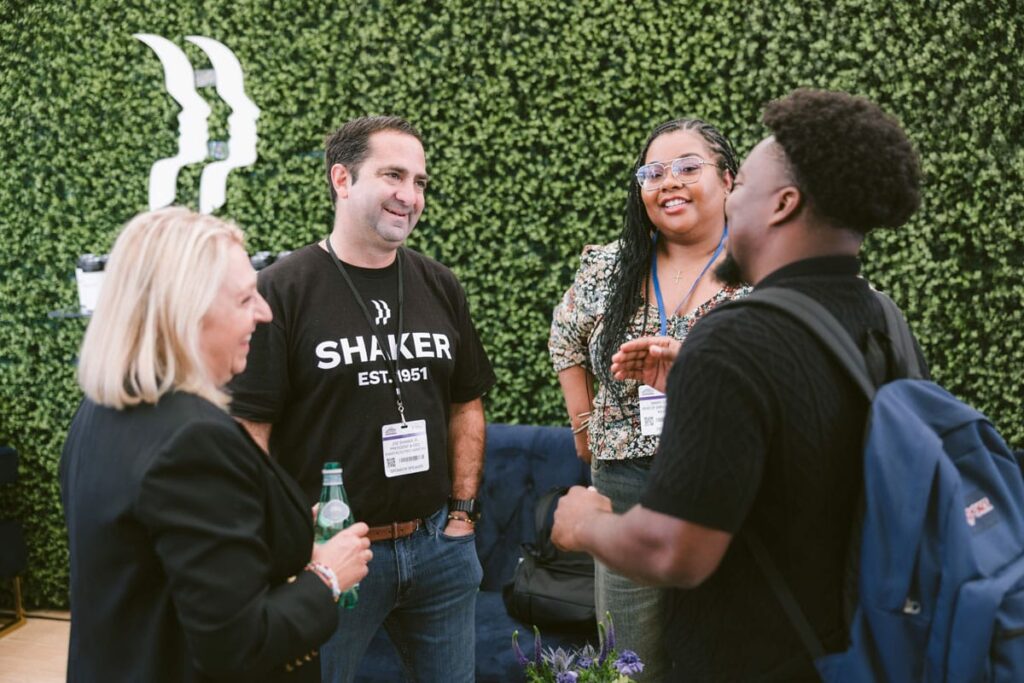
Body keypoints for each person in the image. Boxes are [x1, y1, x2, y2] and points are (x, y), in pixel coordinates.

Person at [551, 88, 926, 681]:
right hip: (849, 630)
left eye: (741, 182)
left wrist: (584, 524)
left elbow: (676, 551)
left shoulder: (736, 338)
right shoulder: (884, 319)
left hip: (751, 647)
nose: (732, 197)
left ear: (782, 204)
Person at [228, 115, 496, 683]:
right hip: (333, 557)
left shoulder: (439, 284)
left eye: (420, 181)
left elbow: (466, 403)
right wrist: (289, 546)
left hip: (437, 547)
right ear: (342, 179)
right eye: (393, 175)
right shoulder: (283, 288)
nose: (410, 195)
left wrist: (463, 517)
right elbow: (251, 429)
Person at [60, 207, 373, 682]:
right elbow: (238, 644)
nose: (265, 313)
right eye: (247, 298)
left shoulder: (99, 412)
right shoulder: (193, 439)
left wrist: (272, 524)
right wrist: (326, 577)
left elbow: (160, 567)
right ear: (188, 311)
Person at [548, 118, 746, 680]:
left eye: (689, 167)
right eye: (653, 173)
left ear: (728, 179)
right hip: (625, 481)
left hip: (725, 484)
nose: (669, 183)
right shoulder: (611, 266)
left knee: (725, 648)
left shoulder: (761, 269)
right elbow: (564, 339)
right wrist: (584, 428)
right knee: (630, 658)